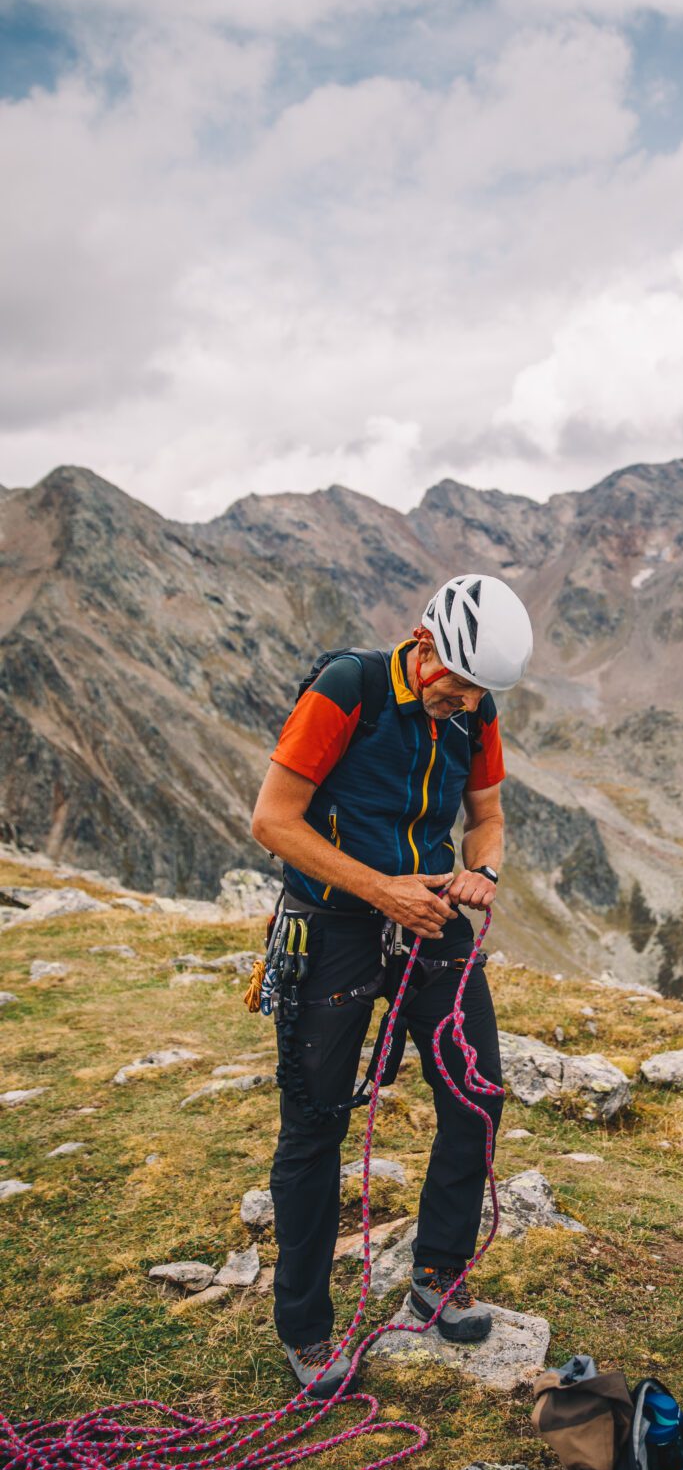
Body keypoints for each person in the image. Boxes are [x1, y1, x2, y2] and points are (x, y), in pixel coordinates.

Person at [250, 573, 532, 1397]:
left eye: (479, 694)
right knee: (314, 1126)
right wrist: (382, 890)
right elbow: (273, 819)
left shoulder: (475, 708)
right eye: (457, 686)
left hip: (431, 914)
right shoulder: (350, 689)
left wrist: (479, 869)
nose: (465, 705)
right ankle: (305, 1328)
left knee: (475, 1095)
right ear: (424, 641)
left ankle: (438, 1273)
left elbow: (486, 817)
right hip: (332, 924)